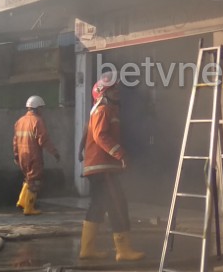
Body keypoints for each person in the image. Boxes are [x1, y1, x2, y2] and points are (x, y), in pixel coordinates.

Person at [78, 73, 144, 262]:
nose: (117, 91)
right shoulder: (104, 109)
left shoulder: (98, 110)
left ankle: (87, 249)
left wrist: (81, 150)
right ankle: (124, 250)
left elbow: (87, 133)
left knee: (97, 206)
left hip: (97, 167)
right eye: (113, 88)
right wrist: (120, 154)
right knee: (117, 204)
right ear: (103, 93)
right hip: (103, 167)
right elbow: (100, 136)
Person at [13, 95, 62, 216]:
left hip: (22, 156)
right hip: (33, 155)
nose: (42, 111)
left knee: (28, 179)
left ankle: (22, 202)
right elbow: (43, 140)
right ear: (37, 108)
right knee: (35, 181)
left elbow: (15, 140)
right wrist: (54, 152)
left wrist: (16, 156)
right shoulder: (37, 121)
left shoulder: (19, 121)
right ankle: (29, 208)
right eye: (42, 108)